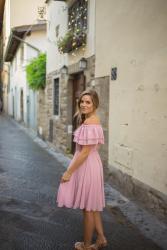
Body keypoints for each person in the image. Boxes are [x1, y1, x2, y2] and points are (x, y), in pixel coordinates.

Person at [57, 89, 107, 250]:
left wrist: (69, 172)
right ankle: (101, 238)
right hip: (91, 164)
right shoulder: (93, 120)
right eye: (82, 101)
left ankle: (86, 246)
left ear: (95, 105)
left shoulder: (90, 122)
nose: (84, 104)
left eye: (88, 102)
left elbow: (84, 152)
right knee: (93, 206)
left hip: (87, 165)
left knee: (87, 209)